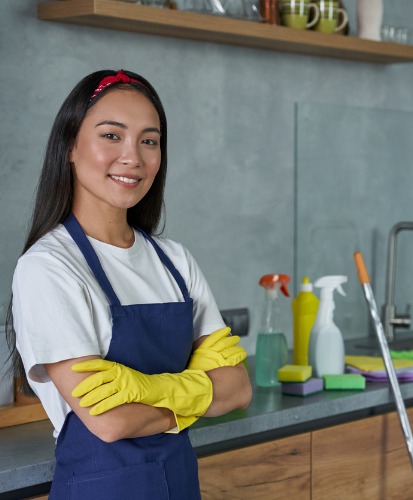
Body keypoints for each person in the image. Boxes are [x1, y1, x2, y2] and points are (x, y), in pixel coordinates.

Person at [6, 69, 252, 499]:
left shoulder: (174, 261)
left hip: (179, 485)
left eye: (149, 140)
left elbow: (237, 388)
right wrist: (200, 392)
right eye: (111, 136)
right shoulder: (49, 267)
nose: (133, 158)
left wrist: (149, 389)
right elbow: (110, 420)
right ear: (69, 146)